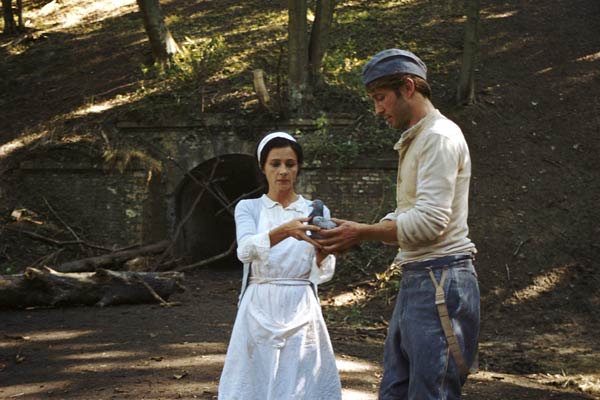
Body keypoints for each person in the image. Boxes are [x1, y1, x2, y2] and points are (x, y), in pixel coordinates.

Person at [317, 49, 480, 399]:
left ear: (408, 87)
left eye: (380, 98)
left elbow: (430, 223)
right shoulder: (418, 138)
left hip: (442, 278)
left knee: (430, 391)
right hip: (419, 277)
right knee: (394, 389)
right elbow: (412, 213)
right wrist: (358, 231)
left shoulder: (438, 137)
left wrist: (363, 231)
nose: (377, 109)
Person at [218, 132, 342, 400]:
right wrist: (284, 231)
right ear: (263, 167)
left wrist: (323, 253)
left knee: (300, 379)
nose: (283, 171)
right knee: (254, 380)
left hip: (300, 304)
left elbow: (323, 271)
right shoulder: (249, 208)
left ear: (298, 168)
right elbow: (246, 251)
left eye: (290, 164)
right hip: (259, 303)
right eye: (275, 164)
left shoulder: (315, 210)